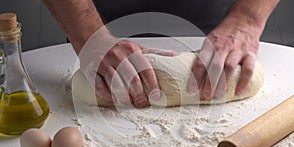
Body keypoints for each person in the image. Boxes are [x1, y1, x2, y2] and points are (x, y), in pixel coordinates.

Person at [43, 0, 279, 107]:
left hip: (214, 24)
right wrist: (88, 35)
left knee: (222, 69)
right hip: (92, 17)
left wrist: (247, 17)